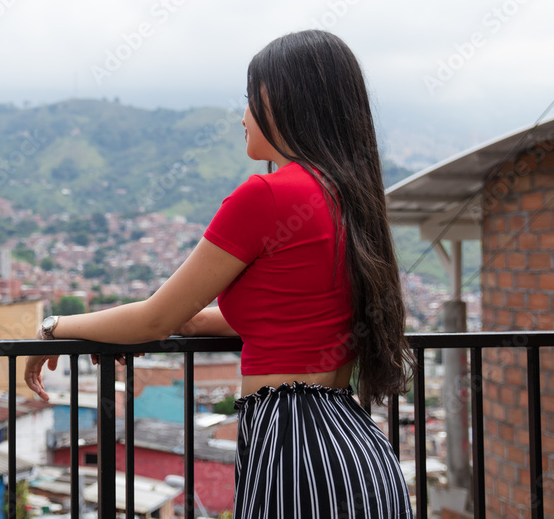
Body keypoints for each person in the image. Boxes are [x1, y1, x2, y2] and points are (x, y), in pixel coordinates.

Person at [24, 29, 414, 518]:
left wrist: (53, 328)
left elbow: (152, 320)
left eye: (252, 99)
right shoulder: (350, 197)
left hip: (294, 453)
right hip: (354, 446)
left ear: (286, 103)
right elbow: (288, 312)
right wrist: (186, 320)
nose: (243, 116)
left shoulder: (268, 196)